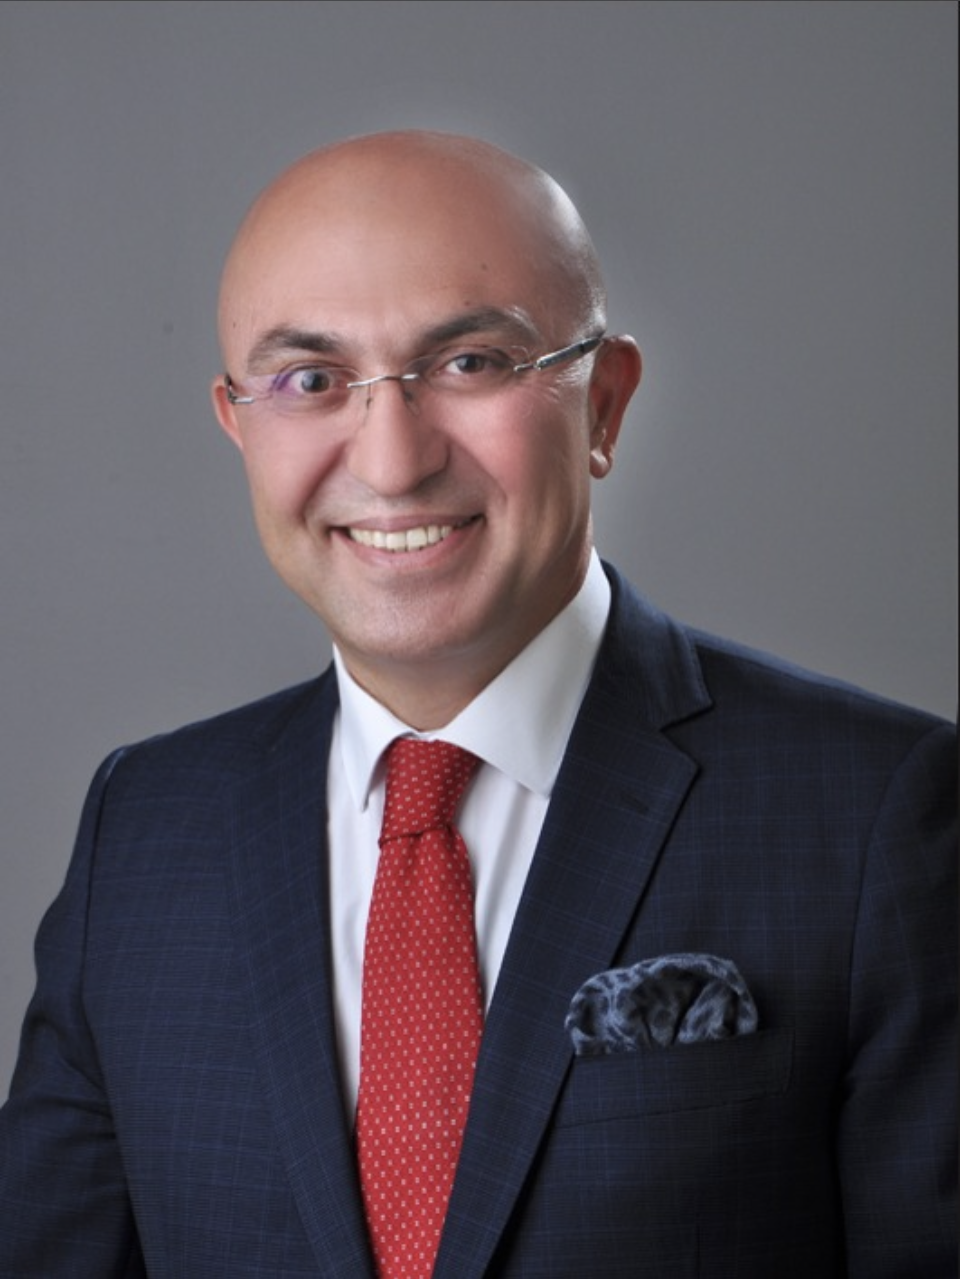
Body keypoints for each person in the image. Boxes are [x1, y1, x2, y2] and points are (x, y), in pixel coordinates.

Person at [0, 130, 955, 1278]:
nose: (394, 462)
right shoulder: (144, 831)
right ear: (240, 424)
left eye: (471, 363)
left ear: (601, 404)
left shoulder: (877, 817)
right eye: (312, 380)